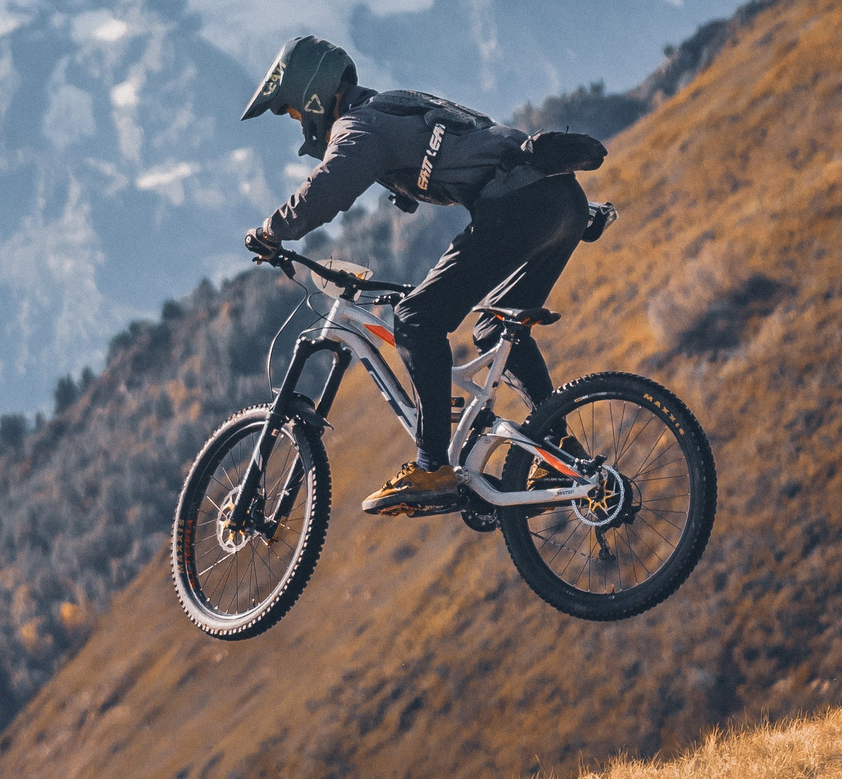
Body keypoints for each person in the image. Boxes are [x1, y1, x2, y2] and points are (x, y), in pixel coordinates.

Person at [239, 33, 592, 516]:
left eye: (293, 110)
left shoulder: (360, 127)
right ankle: (557, 453)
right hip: (561, 202)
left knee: (416, 319)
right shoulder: (395, 105)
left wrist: (270, 231)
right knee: (493, 327)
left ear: (311, 94)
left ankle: (432, 467)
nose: (298, 122)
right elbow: (480, 141)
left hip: (519, 207)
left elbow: (327, 189)